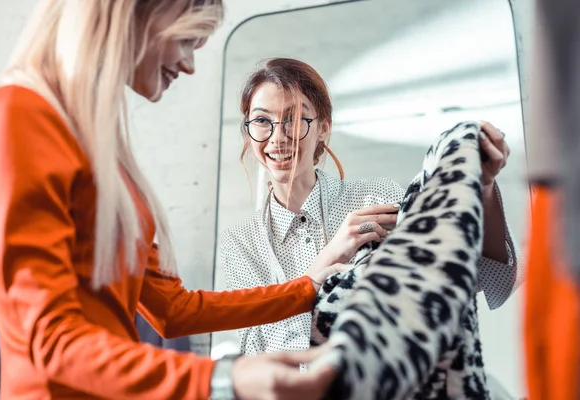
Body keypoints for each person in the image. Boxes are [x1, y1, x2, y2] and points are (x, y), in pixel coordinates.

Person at [0, 2, 340, 399]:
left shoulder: (101, 152)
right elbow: (50, 341)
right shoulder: (20, 116)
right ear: (131, 13)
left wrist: (309, 289)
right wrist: (221, 379)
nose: (189, 65)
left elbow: (172, 310)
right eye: (186, 40)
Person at [222, 57, 522, 356]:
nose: (278, 137)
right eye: (262, 121)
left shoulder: (375, 197)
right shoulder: (241, 244)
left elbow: (478, 278)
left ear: (323, 129)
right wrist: (321, 266)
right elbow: (259, 358)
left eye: (295, 118)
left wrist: (481, 186)